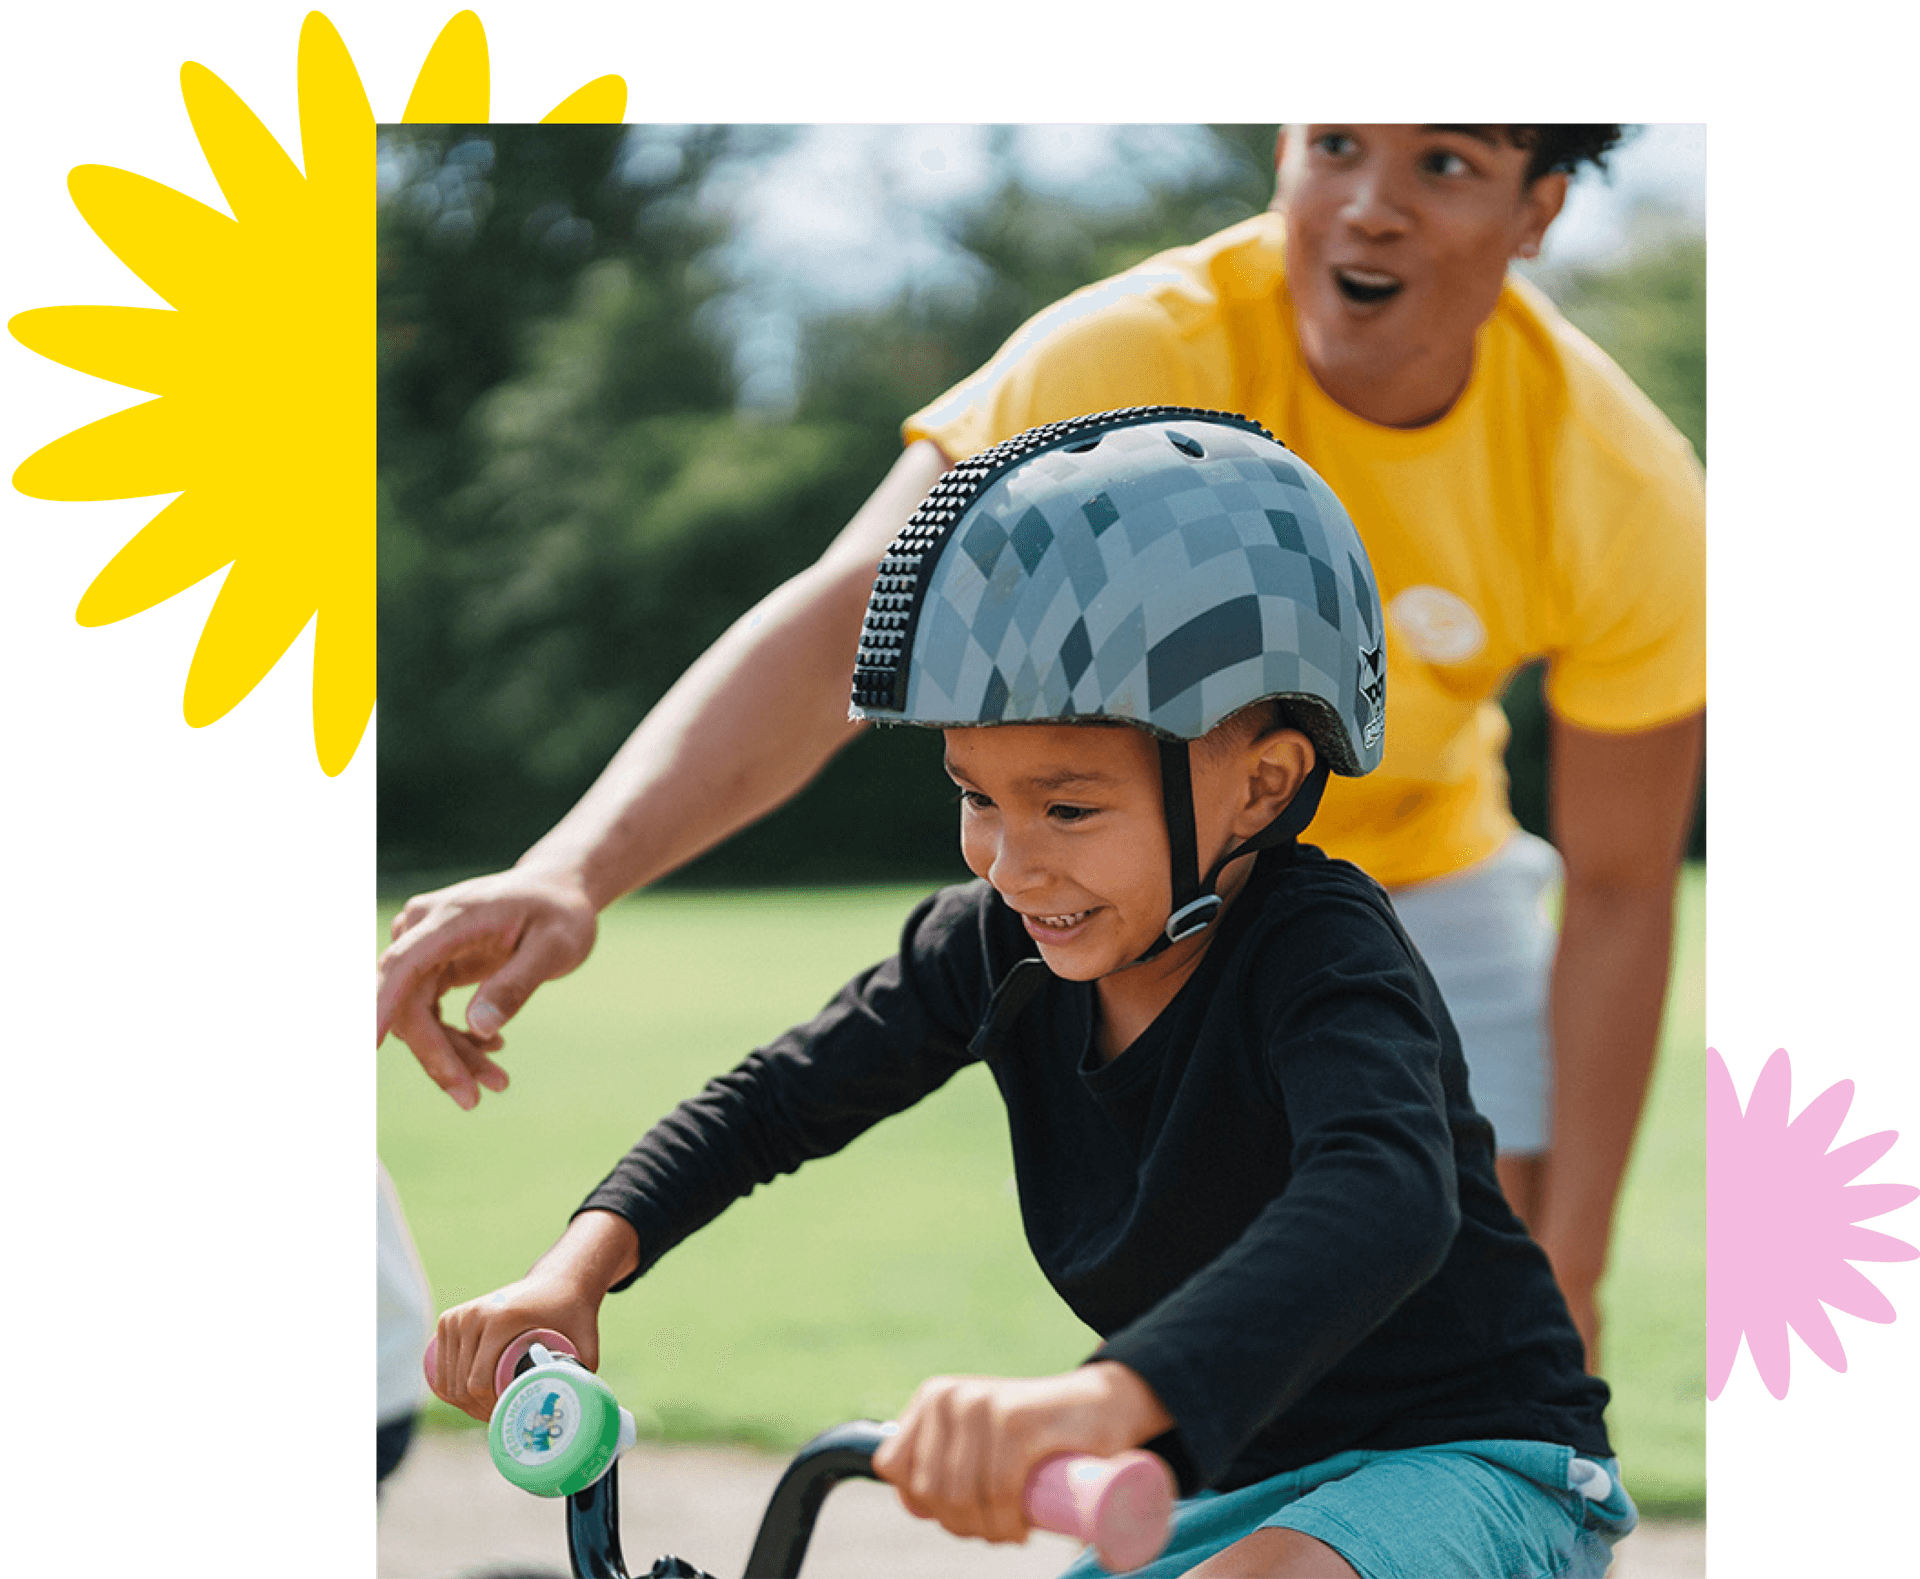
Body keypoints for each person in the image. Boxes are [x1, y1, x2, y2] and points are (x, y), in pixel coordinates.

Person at [377, 124, 1706, 1369]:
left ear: (1539, 210)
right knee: (1231, 1336)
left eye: (1450, 163)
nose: (1370, 203)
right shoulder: (1127, 356)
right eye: (1334, 142)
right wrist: (573, 868)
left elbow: (1624, 881)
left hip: (1427, 880)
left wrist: (1574, 1266)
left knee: (1493, 1342)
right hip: (1128, 865)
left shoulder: (1617, 484)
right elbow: (852, 621)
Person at [426, 411, 1637, 1579]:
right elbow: (777, 1099)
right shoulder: (998, 944)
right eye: (977, 796)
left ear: (1262, 787)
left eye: (1067, 806)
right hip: (1213, 1488)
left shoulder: (1320, 951)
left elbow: (1383, 1198)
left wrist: (1106, 1394)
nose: (1012, 861)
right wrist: (577, 1268)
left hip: (1472, 1459)